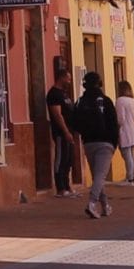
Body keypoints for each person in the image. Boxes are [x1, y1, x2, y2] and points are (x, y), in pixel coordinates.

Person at [72, 71, 121, 218]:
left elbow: (74, 122)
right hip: (105, 143)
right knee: (100, 176)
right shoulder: (105, 101)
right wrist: (114, 141)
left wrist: (84, 133)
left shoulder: (81, 102)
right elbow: (113, 123)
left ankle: (105, 205)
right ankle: (92, 203)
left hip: (88, 143)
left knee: (97, 176)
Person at [45, 61, 80, 198]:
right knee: (60, 159)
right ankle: (60, 188)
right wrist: (65, 131)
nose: (70, 81)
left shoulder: (64, 94)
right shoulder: (54, 94)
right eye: (68, 78)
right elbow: (57, 115)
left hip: (70, 132)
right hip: (61, 133)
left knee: (68, 159)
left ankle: (67, 186)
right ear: (62, 78)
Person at [115, 78, 134, 184]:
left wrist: (117, 128)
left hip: (125, 130)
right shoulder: (133, 101)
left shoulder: (120, 101)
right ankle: (133, 176)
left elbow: (121, 119)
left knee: (127, 155)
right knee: (132, 154)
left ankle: (130, 178)